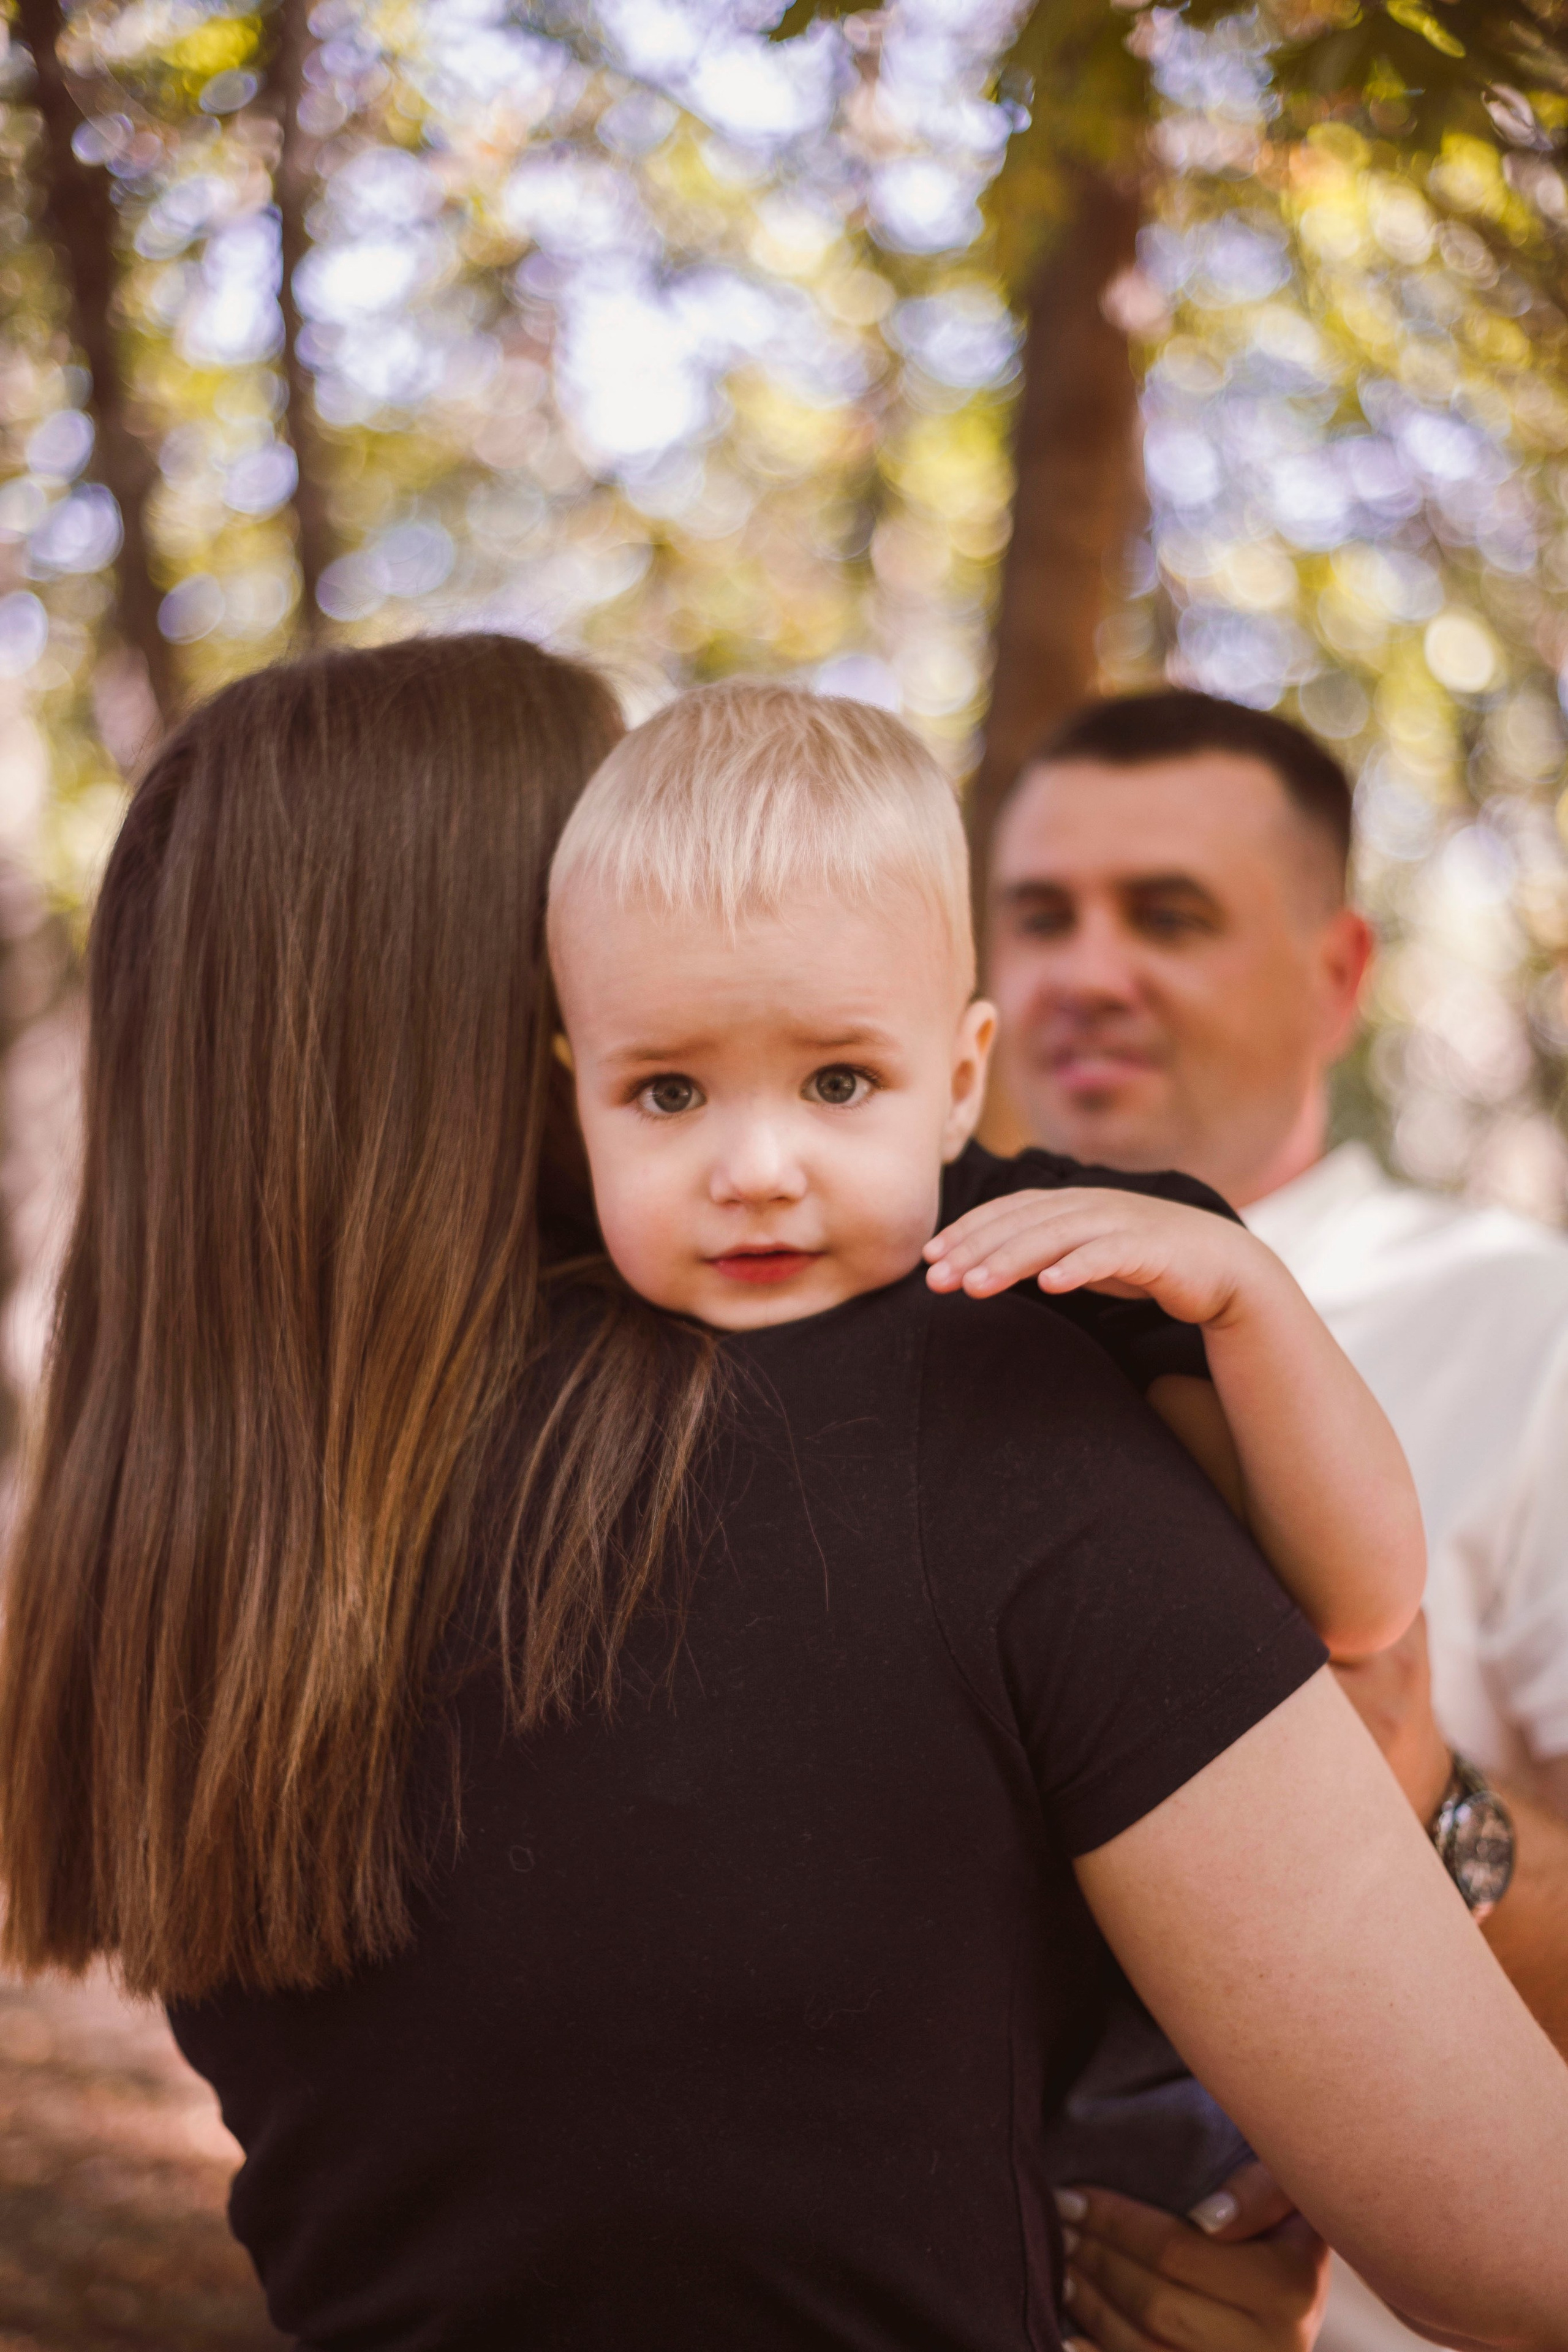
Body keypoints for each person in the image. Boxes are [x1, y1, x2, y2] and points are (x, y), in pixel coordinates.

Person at [0, 649, 1564, 2352]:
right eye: (668, 1066)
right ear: (536, 1033)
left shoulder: (186, 1596)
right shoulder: (958, 1416)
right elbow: (1517, 2248)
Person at [983, 684, 1568, 2352]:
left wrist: (1430, 1801)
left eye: (1169, 916)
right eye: (1039, 919)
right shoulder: (869, 1334)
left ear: (1338, 976)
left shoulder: (1527, 1329)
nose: (1086, 972)